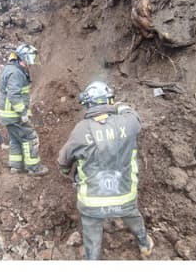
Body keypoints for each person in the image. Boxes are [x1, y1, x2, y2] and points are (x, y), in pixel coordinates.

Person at [58, 81, 153, 260]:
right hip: (124, 198)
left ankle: (93, 259)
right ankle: (144, 245)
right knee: (133, 217)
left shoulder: (80, 130)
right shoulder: (128, 122)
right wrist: (118, 106)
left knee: (91, 235)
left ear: (87, 105)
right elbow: (134, 115)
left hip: (92, 203)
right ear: (109, 100)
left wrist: (64, 171)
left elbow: (63, 161)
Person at [0, 43, 48, 175]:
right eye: (28, 60)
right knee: (30, 137)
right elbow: (14, 95)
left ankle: (16, 166)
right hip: (14, 115)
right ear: (21, 58)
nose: (30, 63)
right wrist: (23, 112)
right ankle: (34, 168)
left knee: (15, 139)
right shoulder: (15, 73)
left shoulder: (11, 69)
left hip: (8, 115)